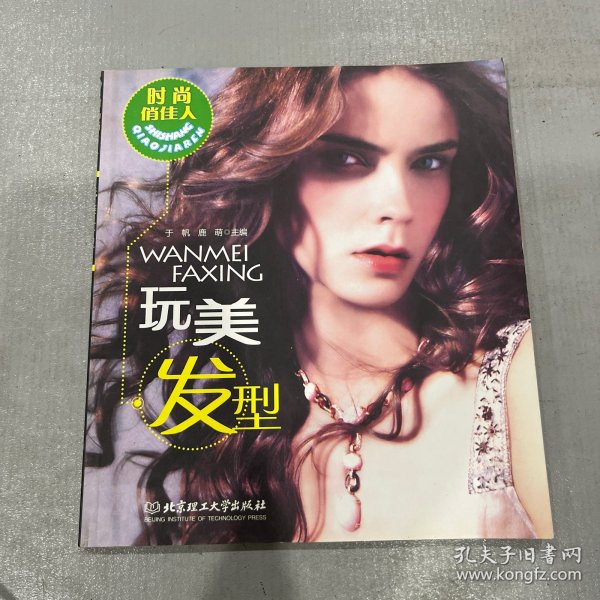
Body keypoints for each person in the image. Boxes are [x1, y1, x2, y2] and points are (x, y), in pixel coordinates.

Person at [85, 63, 553, 545]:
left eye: (429, 163)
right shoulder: (239, 442)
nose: (398, 206)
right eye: (346, 159)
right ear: (270, 173)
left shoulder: (523, 378)